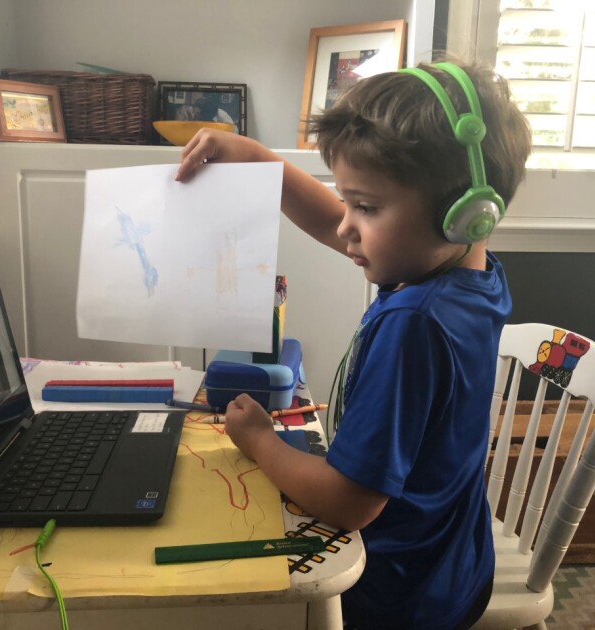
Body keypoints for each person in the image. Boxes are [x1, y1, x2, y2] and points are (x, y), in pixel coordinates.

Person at [175, 56, 532, 629]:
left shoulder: (415, 321)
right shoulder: (463, 273)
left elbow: (350, 503)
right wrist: (254, 158)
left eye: (364, 207)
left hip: (394, 588)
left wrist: (261, 441)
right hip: (451, 557)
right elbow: (330, 223)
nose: (345, 226)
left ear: (463, 216)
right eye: (348, 200)